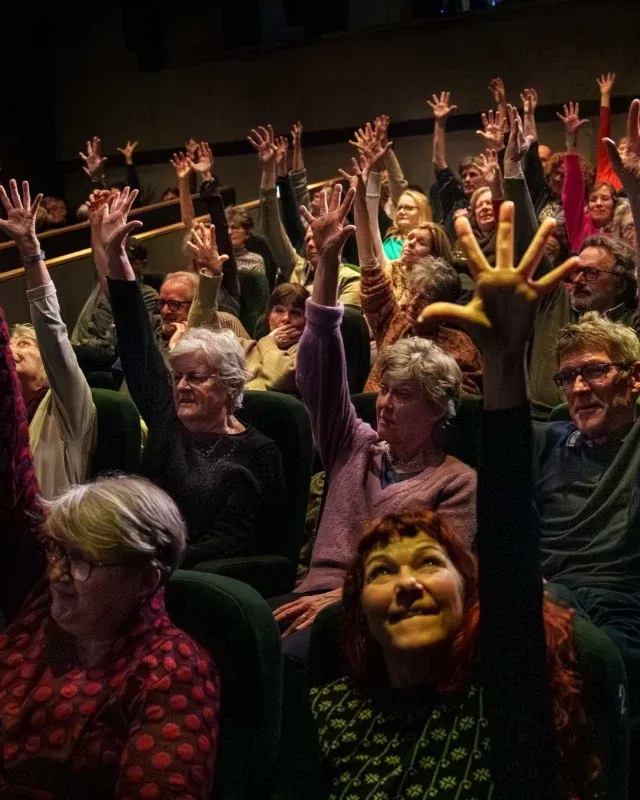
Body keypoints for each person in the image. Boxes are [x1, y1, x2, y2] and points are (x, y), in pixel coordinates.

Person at [310, 202, 617, 799]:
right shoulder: (330, 715)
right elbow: (322, 377)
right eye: (381, 572)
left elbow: (508, 542)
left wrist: (504, 363)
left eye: (429, 563)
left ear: (469, 589)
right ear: (357, 609)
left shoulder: (504, 701)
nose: (405, 582)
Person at [0, 314, 220, 797]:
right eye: (56, 552)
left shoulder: (169, 671)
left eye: (82, 560)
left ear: (145, 580)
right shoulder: (40, 618)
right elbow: (11, 485)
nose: (57, 575)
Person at [272, 183, 476, 659]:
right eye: (383, 388)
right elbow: (321, 367)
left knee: (295, 657)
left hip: (378, 613)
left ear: (438, 410)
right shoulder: (354, 443)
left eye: (402, 394)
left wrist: (343, 599)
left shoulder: (457, 482)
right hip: (310, 594)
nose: (382, 403)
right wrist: (326, 263)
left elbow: (431, 579)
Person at [103, 188, 286, 565]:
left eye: (196, 377)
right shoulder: (169, 421)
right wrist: (115, 256)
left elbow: (236, 542)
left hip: (204, 580)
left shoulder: (259, 452)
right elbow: (138, 347)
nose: (181, 387)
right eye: (177, 377)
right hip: (142, 563)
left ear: (232, 385)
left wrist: (158, 563)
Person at [348, 156, 482, 395]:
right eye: (411, 293)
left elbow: (464, 406)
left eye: (423, 298)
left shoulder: (460, 346)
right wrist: (360, 194)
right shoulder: (396, 321)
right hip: (374, 418)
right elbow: (368, 261)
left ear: (442, 306)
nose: (411, 302)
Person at [0, 180, 96, 500]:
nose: (12, 349)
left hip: (54, 541)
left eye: (25, 343)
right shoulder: (8, 411)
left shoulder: (68, 404)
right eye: (10, 343)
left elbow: (52, 333)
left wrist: (29, 250)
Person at [180, 221, 308, 394]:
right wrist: (211, 274)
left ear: (307, 321)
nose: (286, 318)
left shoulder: (304, 351)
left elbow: (278, 379)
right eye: (279, 310)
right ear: (268, 315)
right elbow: (197, 332)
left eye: (295, 313)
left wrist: (269, 341)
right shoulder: (248, 346)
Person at [529, 234, 638, 419]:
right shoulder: (554, 298)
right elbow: (527, 238)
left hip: (603, 428)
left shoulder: (634, 322)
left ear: (620, 285)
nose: (578, 280)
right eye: (576, 271)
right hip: (535, 422)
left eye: (591, 273)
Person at [252, 125, 361, 307]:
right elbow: (271, 228)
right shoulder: (299, 267)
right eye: (308, 239)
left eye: (316, 238)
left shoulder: (351, 279)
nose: (310, 244)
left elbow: (342, 325)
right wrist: (269, 171)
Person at [71, 190, 159, 369]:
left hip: (112, 356)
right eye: (119, 255)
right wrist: (95, 226)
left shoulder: (148, 294)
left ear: (142, 264)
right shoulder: (106, 279)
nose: (121, 260)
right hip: (85, 346)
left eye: (128, 258)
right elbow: (101, 259)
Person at [428, 90, 498, 241]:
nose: (466, 179)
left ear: (486, 178)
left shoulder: (495, 200)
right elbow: (438, 162)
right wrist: (440, 123)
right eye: (464, 175)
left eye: (473, 175)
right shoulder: (455, 200)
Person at [558, 101, 618, 252]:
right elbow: (572, 192)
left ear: (615, 205)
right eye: (593, 199)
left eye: (605, 198)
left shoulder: (624, 227)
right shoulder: (579, 225)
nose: (598, 203)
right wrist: (571, 142)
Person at [596, 72, 624, 191]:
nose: (622, 153)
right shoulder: (606, 165)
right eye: (620, 149)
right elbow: (604, 129)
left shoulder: (635, 176)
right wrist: (605, 95)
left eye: (627, 150)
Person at [225, 204, 266, 274]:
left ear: (247, 231)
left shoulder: (255, 260)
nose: (229, 232)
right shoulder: (219, 259)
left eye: (235, 228)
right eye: (226, 228)